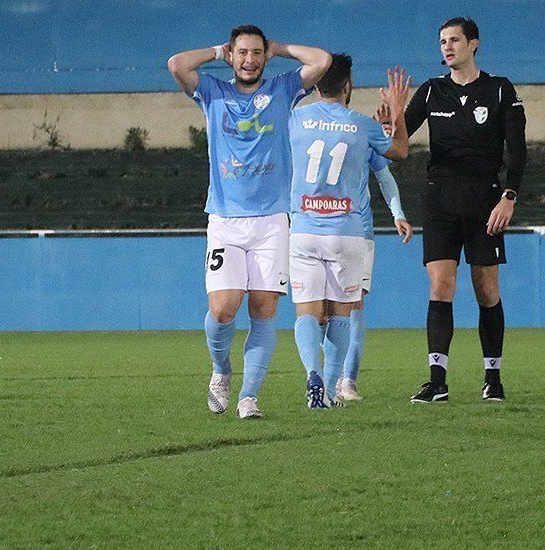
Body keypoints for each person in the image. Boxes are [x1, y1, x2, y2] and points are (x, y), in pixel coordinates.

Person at [167, 25, 331, 419]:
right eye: (242, 52)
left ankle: (248, 396)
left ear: (264, 56)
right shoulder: (212, 92)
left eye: (257, 52)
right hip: (225, 219)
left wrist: (279, 48)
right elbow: (176, 64)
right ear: (233, 55)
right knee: (223, 309)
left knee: (262, 309)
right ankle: (221, 371)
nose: (250, 59)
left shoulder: (282, 89)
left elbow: (322, 61)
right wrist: (215, 51)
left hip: (273, 220)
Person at [403, 17, 527, 403]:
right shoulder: (430, 92)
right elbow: (399, 141)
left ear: (474, 44)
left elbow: (518, 148)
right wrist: (388, 122)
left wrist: (509, 195)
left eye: (454, 40)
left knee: (486, 291)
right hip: (440, 200)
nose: (447, 47)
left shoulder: (500, 89)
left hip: (485, 202)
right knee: (440, 287)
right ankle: (437, 380)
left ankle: (493, 378)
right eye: (442, 41)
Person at [287, 54, 410, 408]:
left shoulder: (294, 118)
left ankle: (312, 375)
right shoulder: (360, 125)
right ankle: (329, 387)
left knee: (307, 313)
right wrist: (398, 113)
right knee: (343, 313)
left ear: (316, 84)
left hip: (305, 229)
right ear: (348, 85)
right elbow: (399, 151)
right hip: (348, 231)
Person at [336, 102, 413, 402]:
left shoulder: (359, 134)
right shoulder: (314, 131)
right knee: (321, 313)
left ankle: (347, 381)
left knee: (354, 308)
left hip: (357, 232)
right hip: (318, 231)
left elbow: (384, 176)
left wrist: (397, 213)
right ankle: (328, 376)